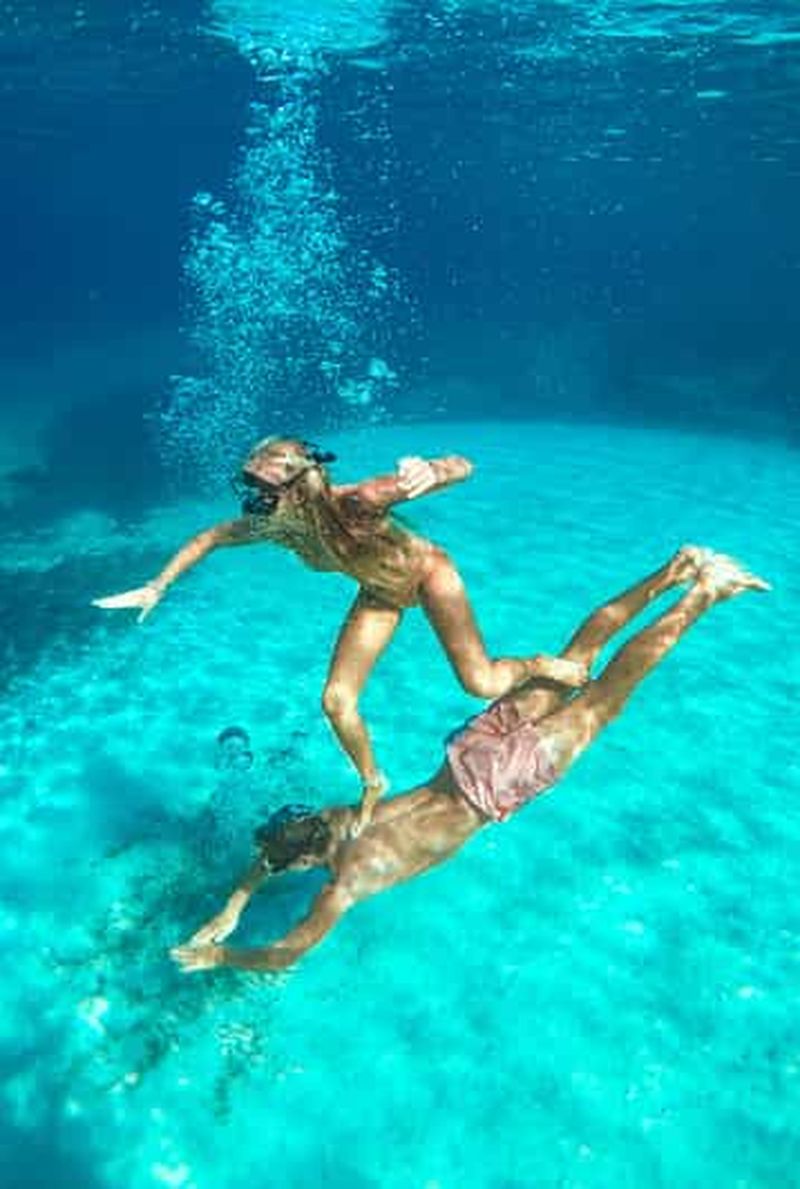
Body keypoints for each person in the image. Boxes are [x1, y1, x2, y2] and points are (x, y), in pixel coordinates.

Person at [170, 546, 769, 975]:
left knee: (604, 700)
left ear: (304, 862)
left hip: (492, 787)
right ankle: (679, 567)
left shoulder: (343, 884)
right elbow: (272, 854)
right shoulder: (337, 815)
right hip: (468, 750)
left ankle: (706, 594)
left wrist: (221, 952)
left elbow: (284, 956)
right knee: (577, 656)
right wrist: (238, 897)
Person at [93, 437, 585, 831]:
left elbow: (466, 464)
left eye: (265, 489)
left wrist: (434, 470)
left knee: (481, 683)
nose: (254, 501)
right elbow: (211, 537)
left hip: (429, 576)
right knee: (335, 702)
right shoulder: (276, 526)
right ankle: (373, 782)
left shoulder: (361, 501)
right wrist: (158, 586)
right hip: (380, 593)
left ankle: (539, 664)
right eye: (250, 486)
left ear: (301, 486)